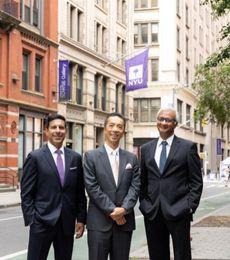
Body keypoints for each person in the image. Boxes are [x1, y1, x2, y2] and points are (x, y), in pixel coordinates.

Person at [139, 107, 203, 260]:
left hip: (179, 211)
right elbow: (143, 181)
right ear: (157, 122)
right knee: (157, 255)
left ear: (175, 124)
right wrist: (144, 205)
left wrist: (189, 207)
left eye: (168, 120)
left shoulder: (188, 147)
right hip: (153, 212)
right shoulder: (146, 149)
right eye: (161, 119)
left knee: (182, 255)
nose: (163, 122)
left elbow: (196, 181)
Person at [21, 114, 87, 260]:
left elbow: (79, 192)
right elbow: (26, 193)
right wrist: (32, 219)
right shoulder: (35, 157)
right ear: (46, 131)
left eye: (61, 127)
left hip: (66, 224)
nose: (58, 130)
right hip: (41, 223)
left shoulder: (75, 158)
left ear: (66, 131)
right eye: (54, 127)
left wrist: (81, 219)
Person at [84, 112, 140, 260]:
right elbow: (92, 187)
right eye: (111, 125)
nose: (115, 129)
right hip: (98, 223)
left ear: (123, 131)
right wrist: (113, 211)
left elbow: (135, 187)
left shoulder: (132, 158)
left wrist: (124, 209)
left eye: (119, 127)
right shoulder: (91, 156)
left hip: (124, 223)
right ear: (105, 128)